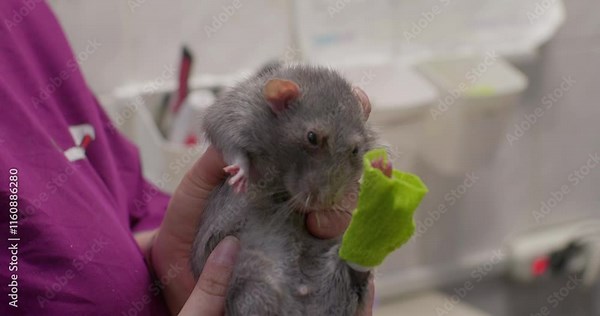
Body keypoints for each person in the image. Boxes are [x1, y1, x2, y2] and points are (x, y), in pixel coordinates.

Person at [0, 0, 373, 315]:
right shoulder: (257, 107)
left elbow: (119, 187)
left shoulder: (23, 13)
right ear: (280, 97)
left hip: (212, 269)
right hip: (246, 279)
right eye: (313, 141)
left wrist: (165, 253)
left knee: (341, 267)